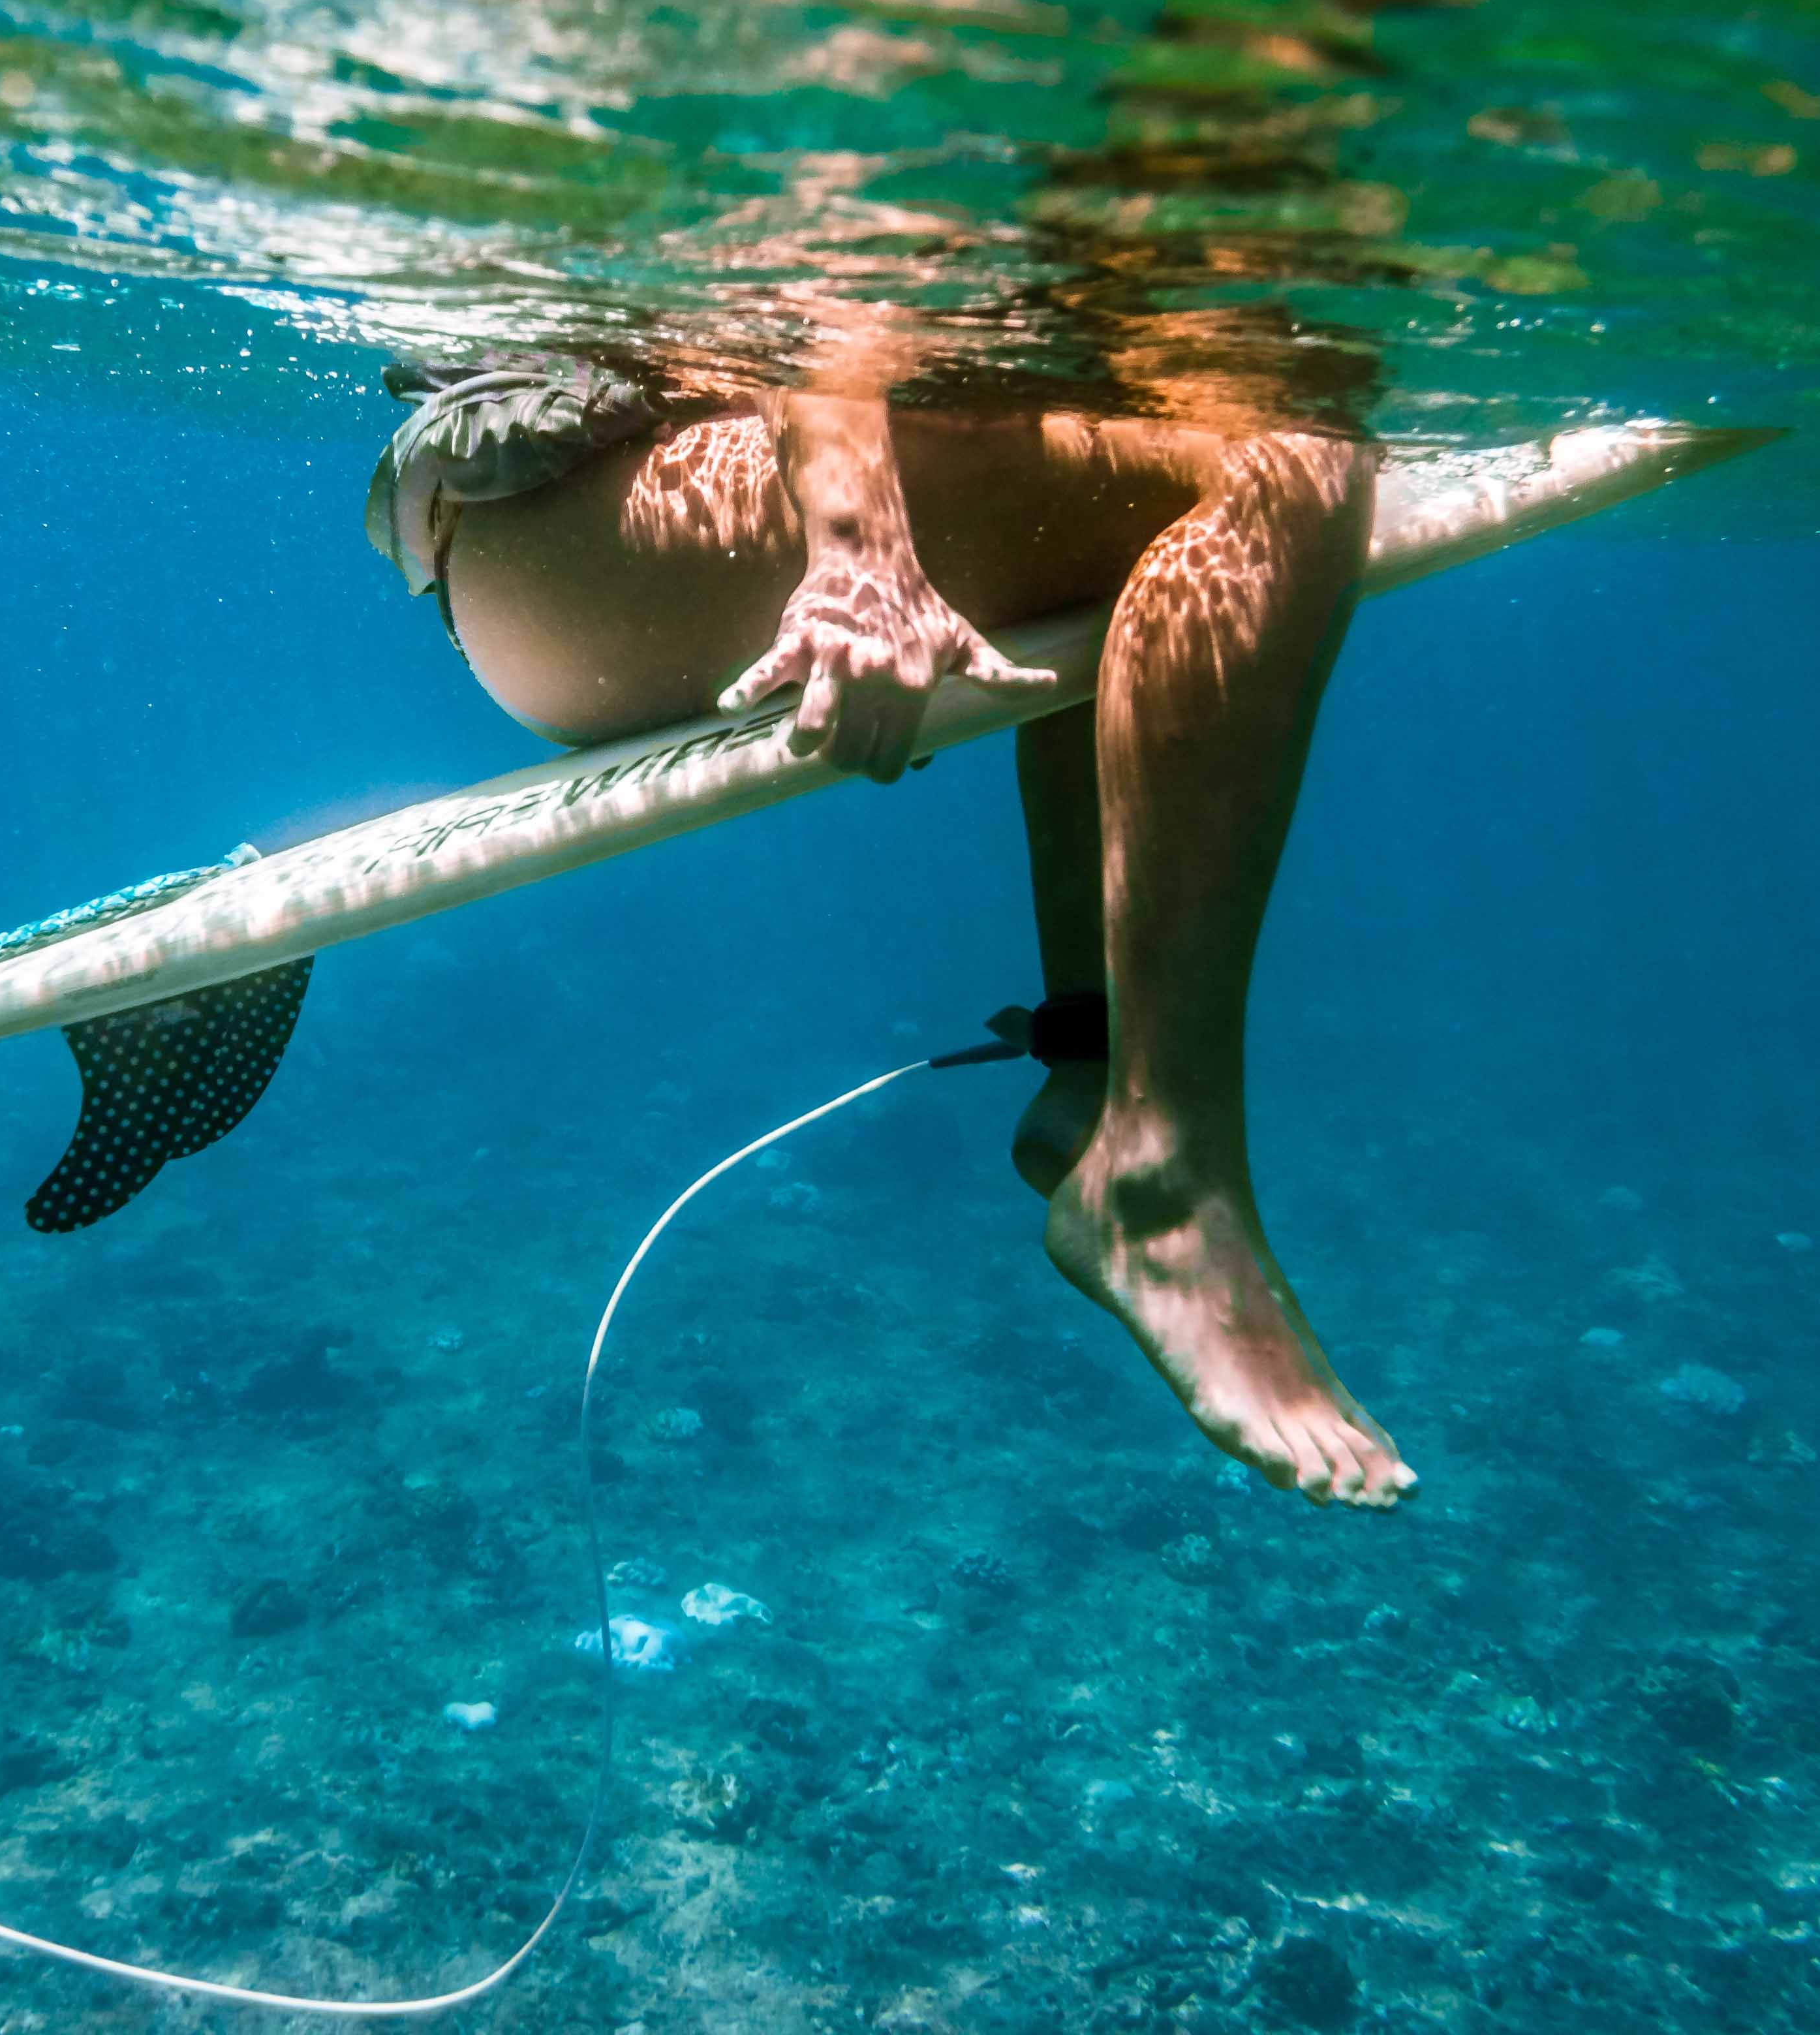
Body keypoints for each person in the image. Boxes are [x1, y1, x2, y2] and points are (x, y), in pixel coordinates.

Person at [370, 311, 1416, 1511]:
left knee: (1186, 471)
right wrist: (856, 549)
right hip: (571, 537)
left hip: (602, 536)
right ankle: (1161, 1181)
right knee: (1287, 460)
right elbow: (807, 266)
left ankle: (1097, 1062)